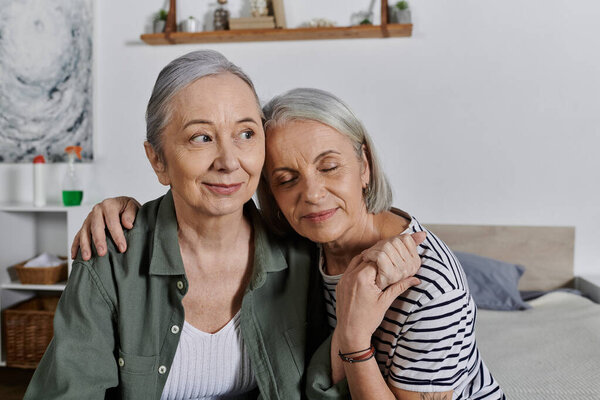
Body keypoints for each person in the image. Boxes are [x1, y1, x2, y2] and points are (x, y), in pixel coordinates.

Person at [25, 51, 421, 400]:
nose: (229, 161)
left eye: (246, 133)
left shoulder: (301, 248)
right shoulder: (111, 256)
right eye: (201, 137)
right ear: (158, 160)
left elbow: (321, 388)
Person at [73, 86, 504, 399]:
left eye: (330, 167)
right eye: (286, 179)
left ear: (365, 166)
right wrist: (125, 208)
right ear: (271, 196)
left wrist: (354, 338)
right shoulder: (301, 246)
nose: (312, 194)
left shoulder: (427, 285)